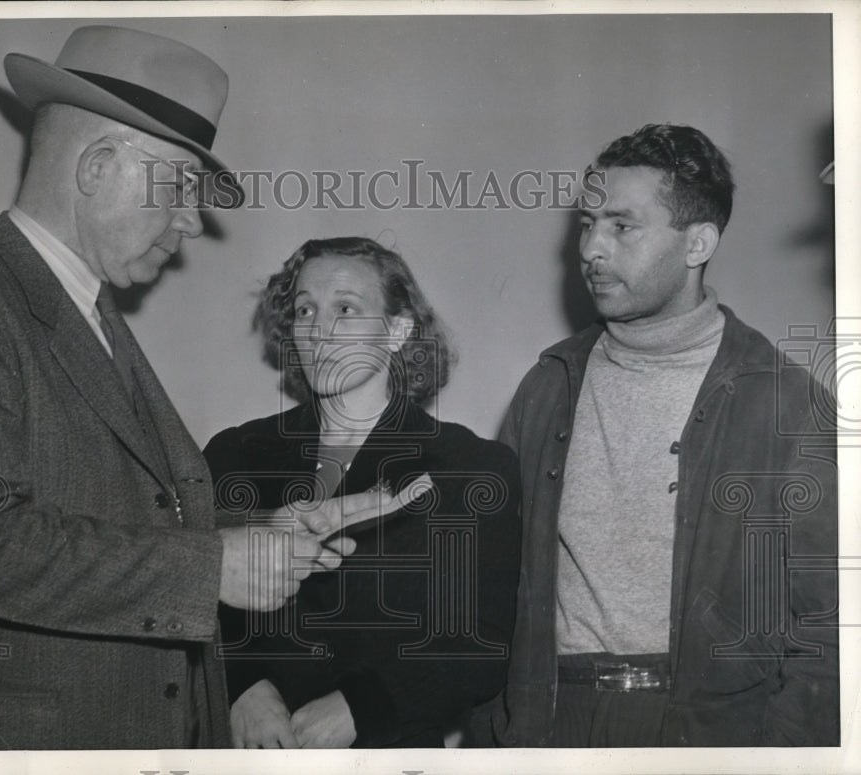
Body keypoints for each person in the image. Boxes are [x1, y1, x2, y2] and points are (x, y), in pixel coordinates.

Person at [0, 25, 385, 750]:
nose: (193, 220)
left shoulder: (90, 314)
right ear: (97, 165)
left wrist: (253, 541)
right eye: (180, 185)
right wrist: (215, 566)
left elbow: (106, 522)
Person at [490, 124, 839, 747]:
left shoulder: (784, 402)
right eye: (586, 223)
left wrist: (782, 756)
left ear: (697, 243)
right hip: (550, 725)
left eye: (622, 226)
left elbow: (830, 621)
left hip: (710, 735)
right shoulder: (548, 386)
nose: (592, 248)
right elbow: (495, 586)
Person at [202, 237, 522, 748]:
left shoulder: (469, 468)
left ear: (397, 331)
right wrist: (242, 688)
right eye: (305, 309)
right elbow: (190, 592)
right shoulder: (234, 455)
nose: (319, 330)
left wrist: (362, 708)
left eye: (345, 309)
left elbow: (480, 644)